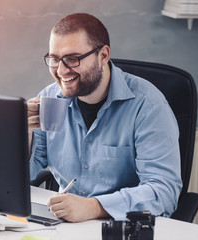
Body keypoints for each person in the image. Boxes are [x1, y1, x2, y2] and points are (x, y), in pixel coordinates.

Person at [27, 13, 182, 223]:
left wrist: (94, 207)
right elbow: (24, 174)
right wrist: (24, 134)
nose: (61, 70)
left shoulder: (148, 106)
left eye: (72, 59)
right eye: (54, 59)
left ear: (103, 56)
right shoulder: (50, 98)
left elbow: (164, 192)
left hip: (124, 227)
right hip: (64, 225)